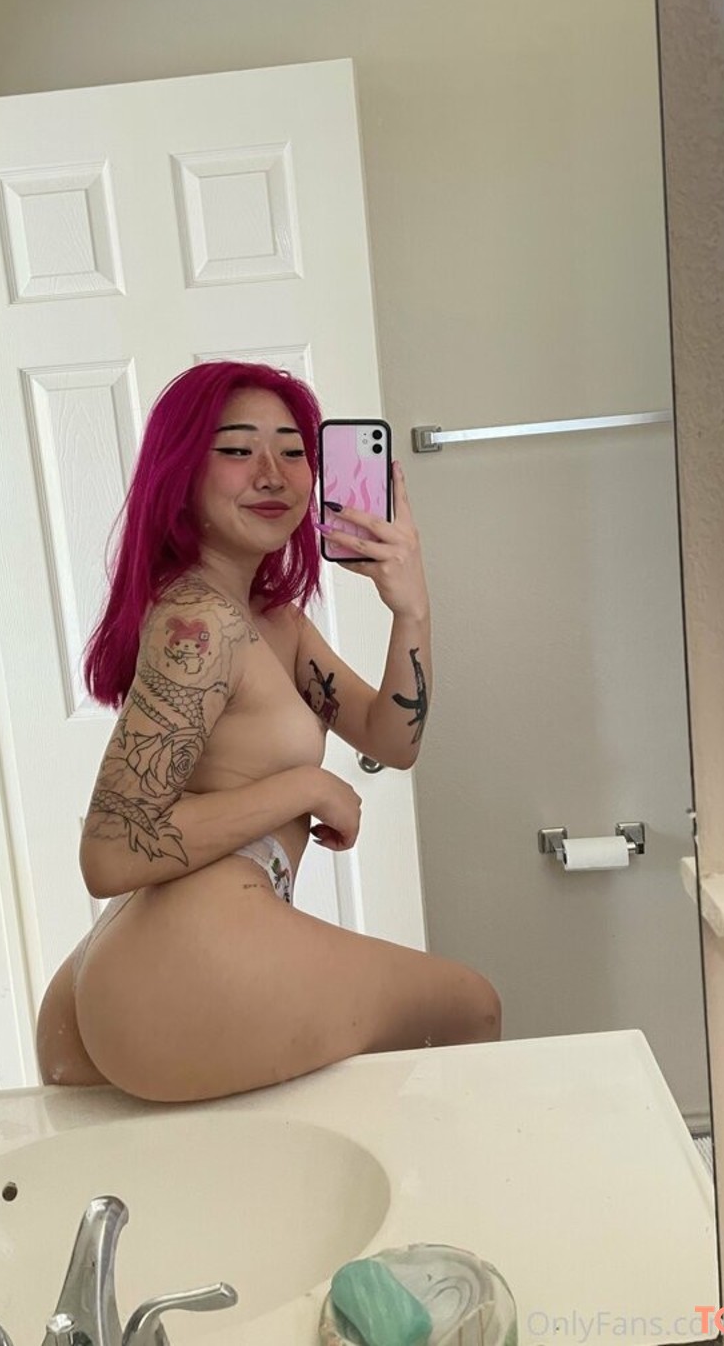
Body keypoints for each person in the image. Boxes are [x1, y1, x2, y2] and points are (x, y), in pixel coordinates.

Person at [35, 360, 501, 1102]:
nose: (272, 474)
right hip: (185, 960)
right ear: (182, 471)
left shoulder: (270, 620)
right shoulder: (201, 623)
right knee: (470, 1008)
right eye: (236, 449)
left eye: (292, 451)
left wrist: (411, 608)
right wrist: (306, 786)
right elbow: (111, 850)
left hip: (148, 959)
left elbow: (391, 739)